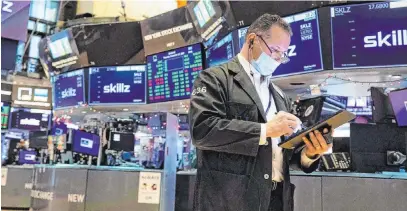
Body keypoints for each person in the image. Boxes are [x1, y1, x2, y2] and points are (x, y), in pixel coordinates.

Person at [189, 14, 332, 211]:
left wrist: (309, 153)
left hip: (276, 200)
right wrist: (265, 131)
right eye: (274, 50)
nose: (278, 59)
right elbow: (202, 130)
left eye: (283, 54)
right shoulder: (215, 79)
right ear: (252, 40)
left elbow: (281, 154)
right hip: (231, 201)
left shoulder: (280, 96)